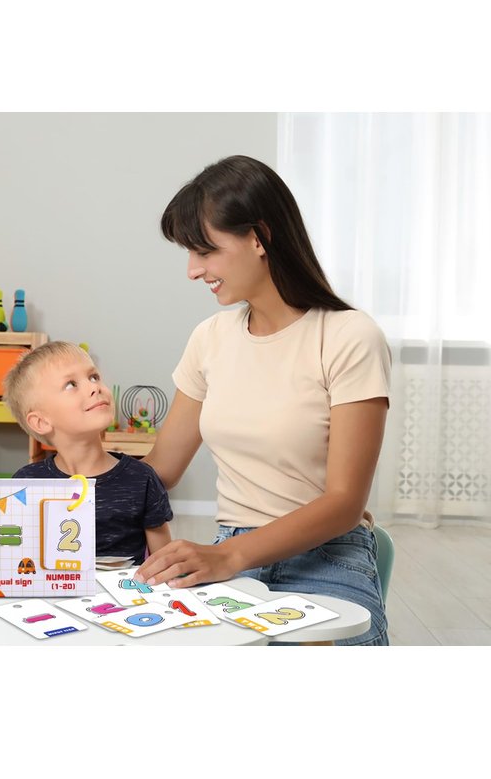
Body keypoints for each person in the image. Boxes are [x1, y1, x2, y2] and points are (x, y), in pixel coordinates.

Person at [133, 155, 391, 646]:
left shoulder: (350, 337)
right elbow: (160, 470)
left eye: (204, 250)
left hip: (328, 554)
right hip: (231, 556)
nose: (192, 270)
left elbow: (344, 503)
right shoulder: (210, 338)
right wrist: (57, 477)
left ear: (259, 237)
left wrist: (227, 557)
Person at [4, 341, 173, 564]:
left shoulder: (142, 479)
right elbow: (13, 558)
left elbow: (165, 565)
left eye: (94, 377)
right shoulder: (26, 485)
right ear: (41, 422)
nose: (95, 387)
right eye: (71, 384)